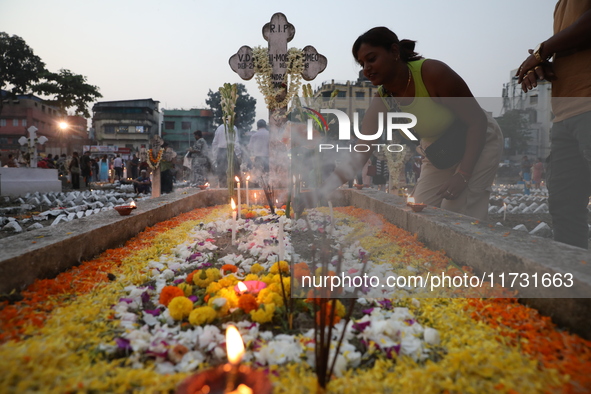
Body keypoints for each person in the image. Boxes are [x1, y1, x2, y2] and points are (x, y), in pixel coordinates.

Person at [302, 27, 503, 221]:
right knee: (420, 211)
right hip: (439, 152)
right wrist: (321, 191)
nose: (366, 69)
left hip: (477, 139)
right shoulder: (382, 99)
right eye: (362, 63)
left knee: (458, 212)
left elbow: (477, 121)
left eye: (372, 59)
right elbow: (360, 153)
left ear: (394, 51)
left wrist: (463, 175)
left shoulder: (432, 73)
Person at [515, 0, 591, 248]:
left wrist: (542, 51)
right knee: (564, 206)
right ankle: (575, 280)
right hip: (564, 117)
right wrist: (547, 66)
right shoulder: (561, 5)